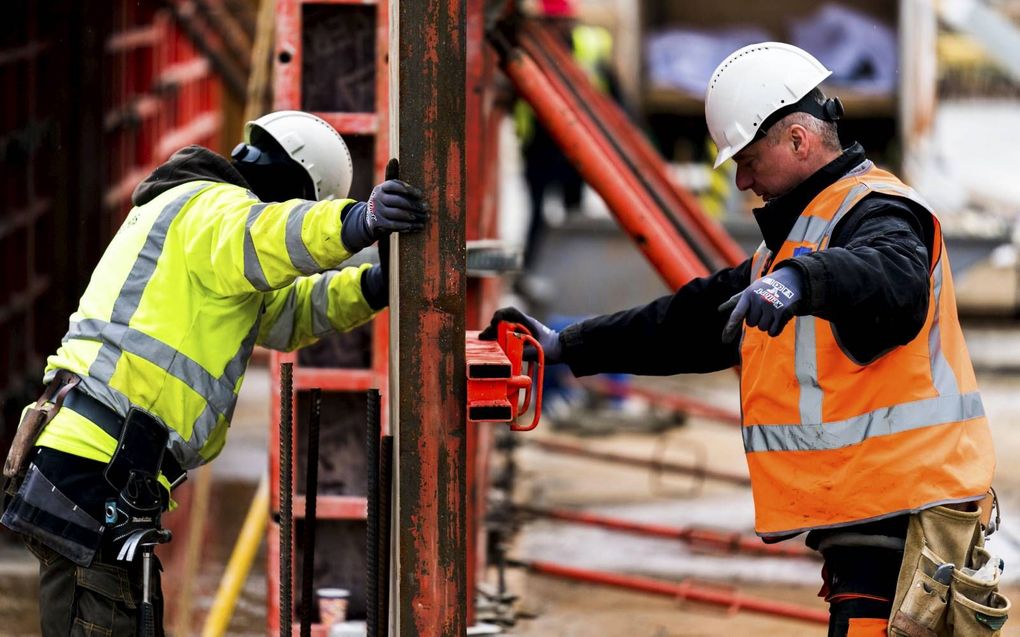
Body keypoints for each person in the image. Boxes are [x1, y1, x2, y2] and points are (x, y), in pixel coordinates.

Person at [484, 43, 1005, 636]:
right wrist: (568, 345)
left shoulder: (879, 211)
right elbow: (689, 322)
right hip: (871, 515)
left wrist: (798, 282)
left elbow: (893, 277)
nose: (742, 178)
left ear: (799, 142)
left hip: (905, 518)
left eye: (750, 158)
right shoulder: (790, 244)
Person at [0, 110, 428, 636]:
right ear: (294, 185)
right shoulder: (212, 208)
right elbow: (267, 235)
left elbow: (287, 313)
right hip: (97, 469)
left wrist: (374, 286)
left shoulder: (200, 226)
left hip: (100, 469)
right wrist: (354, 222)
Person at [513, 0, 619, 278]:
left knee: (574, 214)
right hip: (539, 148)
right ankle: (529, 273)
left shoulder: (589, 47)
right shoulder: (529, 50)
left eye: (556, 22)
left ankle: (573, 273)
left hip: (576, 146)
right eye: (548, 23)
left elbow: (614, 93)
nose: (553, 29)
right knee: (537, 214)